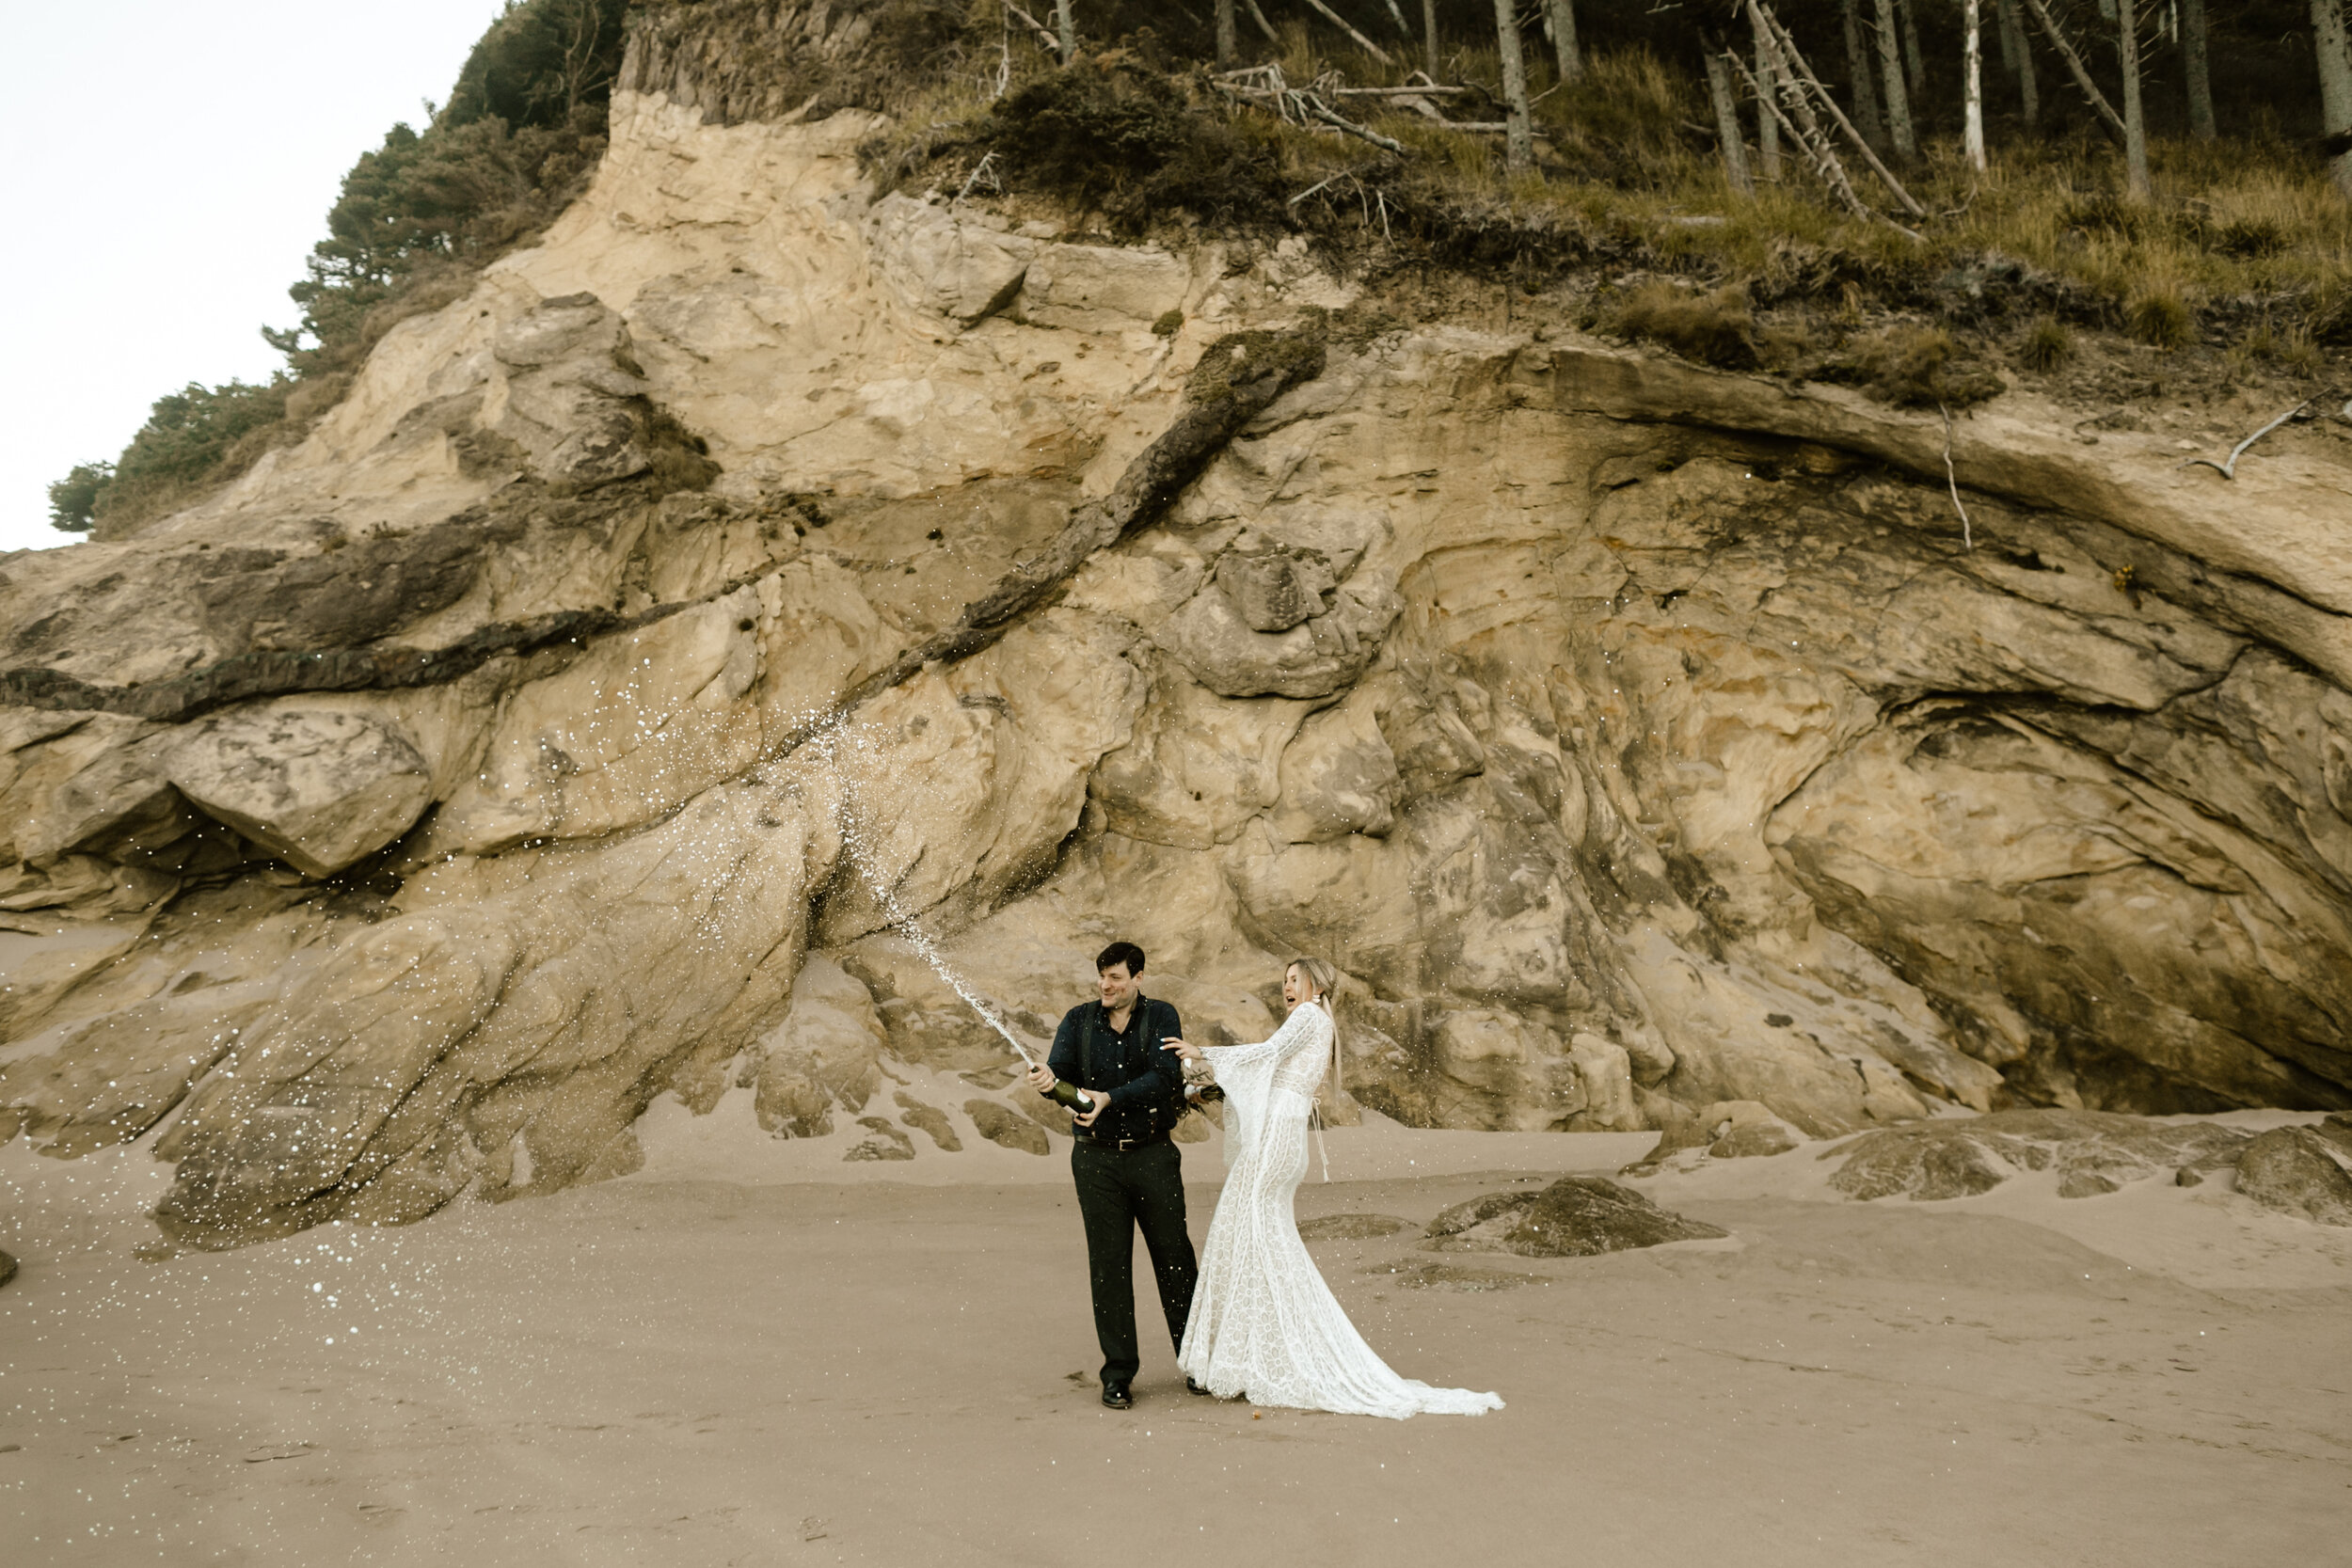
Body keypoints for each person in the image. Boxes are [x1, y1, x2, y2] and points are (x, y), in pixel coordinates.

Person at [1163, 957, 1504, 1418]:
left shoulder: (1307, 1016)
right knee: (1263, 1240)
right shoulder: (1321, 1024)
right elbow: (1274, 1071)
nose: (1286, 988)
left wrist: (1201, 1053)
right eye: (1283, 981)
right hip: (1286, 1138)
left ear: (1316, 985)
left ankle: (1260, 1356)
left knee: (1248, 1236)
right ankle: (1257, 1353)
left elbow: (1265, 1055)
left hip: (1275, 1141)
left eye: (1294, 980)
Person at [1025, 941, 1203, 1411]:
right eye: (1103, 976)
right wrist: (1050, 1083)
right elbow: (1061, 1075)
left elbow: (1165, 1077)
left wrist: (1108, 1097)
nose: (1106, 985)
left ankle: (1199, 1363)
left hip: (1153, 1155)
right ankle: (1118, 1374)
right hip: (1095, 1161)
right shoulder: (1078, 1020)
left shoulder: (1162, 1016)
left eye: (1117, 977)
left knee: (1176, 1259)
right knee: (1109, 1267)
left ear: (1138, 978)